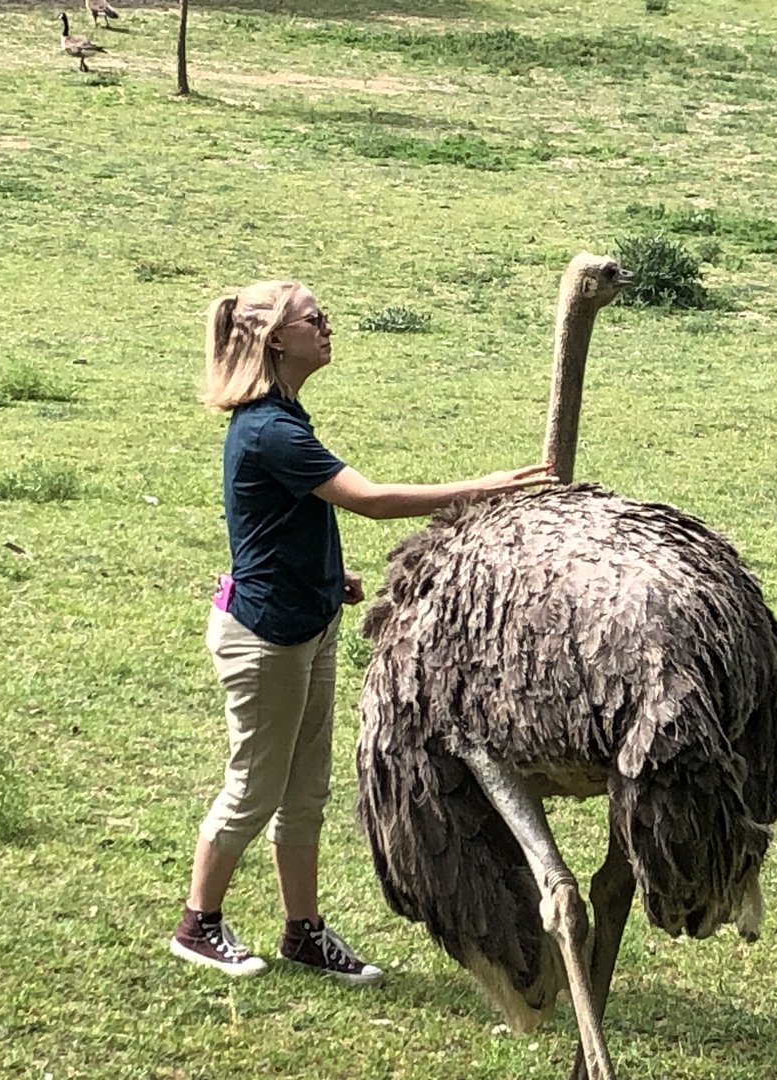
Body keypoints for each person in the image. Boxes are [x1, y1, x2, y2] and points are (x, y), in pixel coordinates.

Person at [170, 279, 556, 980]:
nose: (327, 327)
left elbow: (282, 523)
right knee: (255, 788)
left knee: (304, 790)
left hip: (304, 623)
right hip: (264, 639)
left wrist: (328, 580)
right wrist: (487, 488)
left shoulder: (285, 414)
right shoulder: (270, 428)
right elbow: (369, 502)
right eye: (313, 319)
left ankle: (303, 930)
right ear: (275, 340)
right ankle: (198, 925)